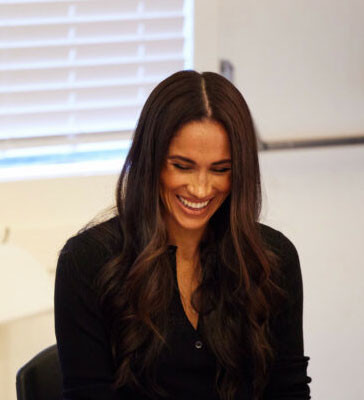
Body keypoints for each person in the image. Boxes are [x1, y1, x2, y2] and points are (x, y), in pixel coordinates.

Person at [54, 70, 311, 399]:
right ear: (151, 161)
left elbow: (288, 390)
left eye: (220, 169)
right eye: (182, 166)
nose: (201, 188)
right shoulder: (87, 262)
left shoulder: (273, 258)